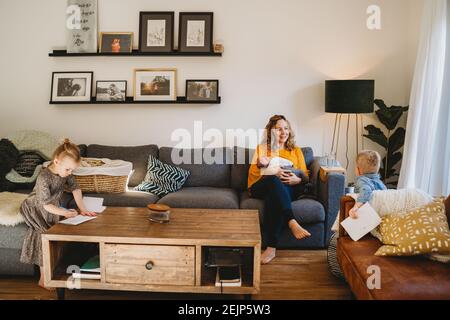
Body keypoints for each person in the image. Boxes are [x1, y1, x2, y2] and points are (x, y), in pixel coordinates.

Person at [19, 139, 96, 289]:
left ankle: (55, 271)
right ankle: (43, 279)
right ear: (56, 161)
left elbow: (76, 188)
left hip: (51, 207)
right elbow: (45, 204)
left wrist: (83, 209)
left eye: (72, 170)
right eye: (68, 169)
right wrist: (64, 212)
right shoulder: (44, 177)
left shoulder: (66, 173)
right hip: (36, 207)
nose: (70, 173)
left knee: (56, 235)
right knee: (43, 236)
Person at [248, 115, 311, 264]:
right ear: (271, 132)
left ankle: (271, 248)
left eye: (286, 128)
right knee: (273, 180)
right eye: (278, 129)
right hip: (261, 185)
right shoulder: (263, 149)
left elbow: (306, 174)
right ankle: (291, 221)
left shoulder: (296, 151)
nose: (283, 132)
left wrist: (299, 180)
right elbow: (253, 173)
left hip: (289, 187)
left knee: (273, 198)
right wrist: (269, 169)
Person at [349, 150, 387, 219]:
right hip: (379, 215)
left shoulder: (362, 180)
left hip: (365, 215)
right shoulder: (380, 183)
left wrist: (356, 206)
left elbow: (366, 190)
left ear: (358, 169)